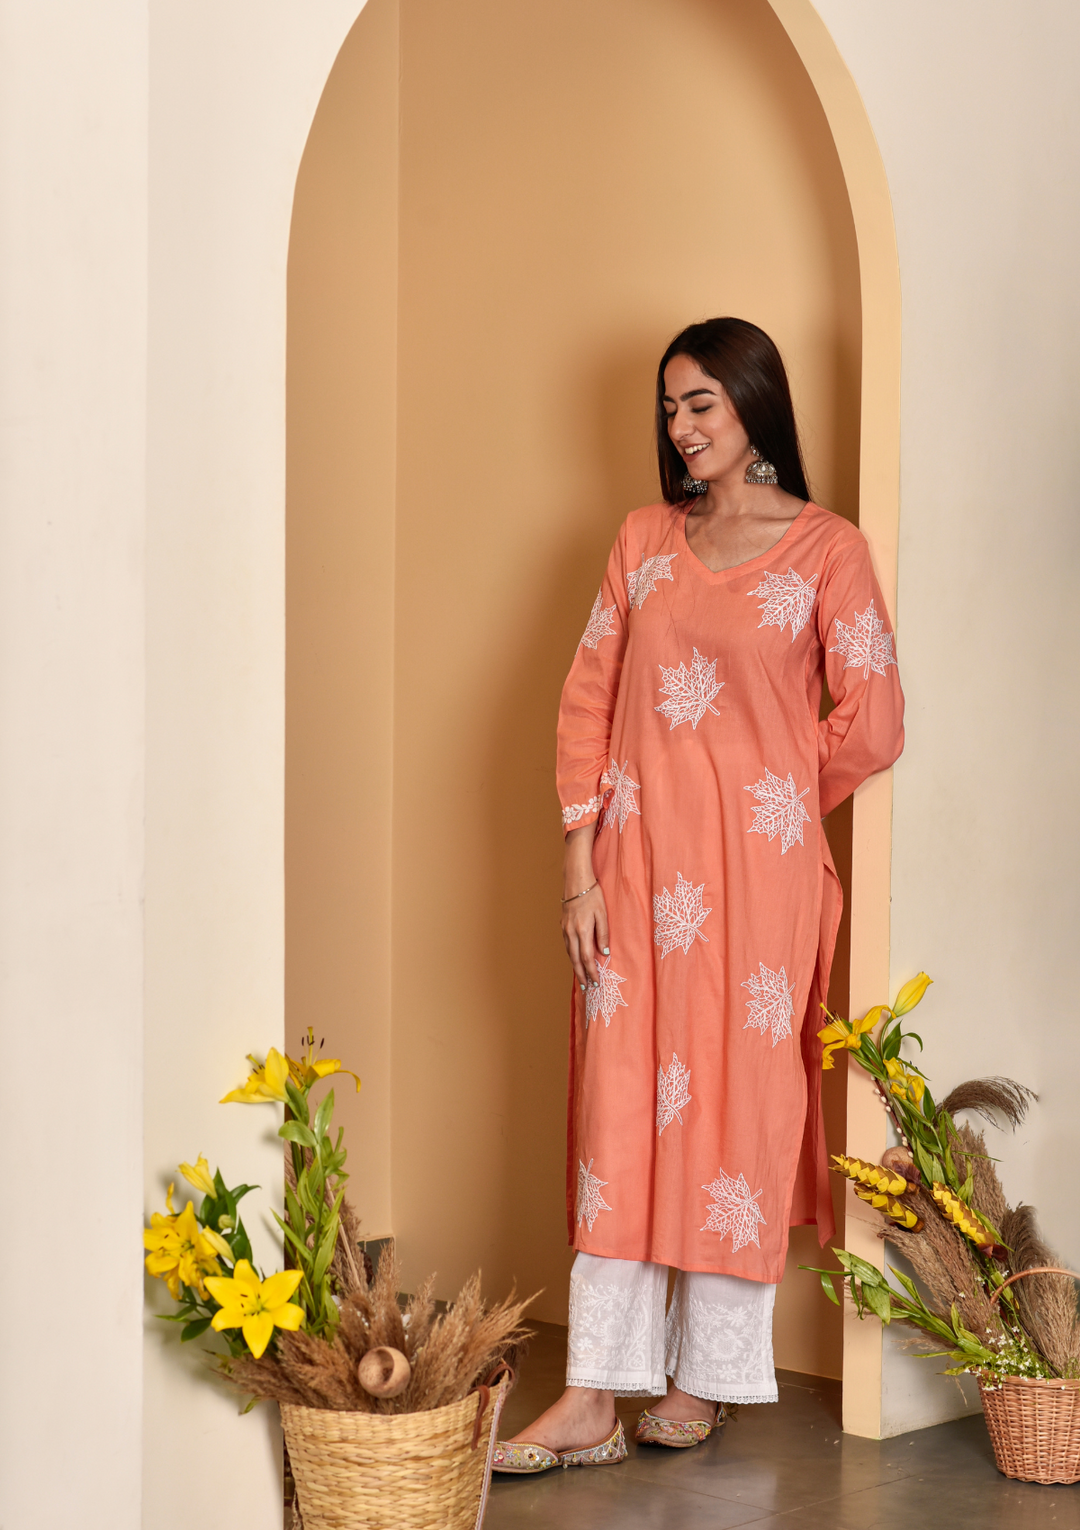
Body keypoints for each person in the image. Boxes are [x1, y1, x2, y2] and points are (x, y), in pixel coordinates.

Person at [492, 317, 905, 1474]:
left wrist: (765, 792)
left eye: (701, 404)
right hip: (632, 869)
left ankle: (702, 1382)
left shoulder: (827, 550)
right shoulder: (642, 541)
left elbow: (874, 718)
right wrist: (579, 865)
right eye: (669, 408)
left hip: (760, 882)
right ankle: (591, 1395)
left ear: (754, 406)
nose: (679, 428)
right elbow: (587, 701)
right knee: (619, 1110)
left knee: (736, 1104)